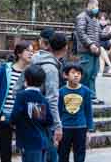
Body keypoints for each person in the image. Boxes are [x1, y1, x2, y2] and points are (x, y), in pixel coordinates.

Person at [0, 41, 35, 162]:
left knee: (26, 147)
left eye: (32, 51)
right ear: (19, 53)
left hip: (23, 116)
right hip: (5, 115)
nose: (31, 53)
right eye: (28, 50)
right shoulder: (5, 69)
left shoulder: (32, 71)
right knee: (5, 149)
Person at [32, 29, 69, 162]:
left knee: (36, 153)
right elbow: (51, 99)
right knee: (51, 154)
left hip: (31, 110)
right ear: (65, 48)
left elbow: (17, 88)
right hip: (44, 113)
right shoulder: (51, 69)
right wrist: (58, 126)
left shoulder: (34, 59)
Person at [9, 64, 52, 162]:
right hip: (42, 140)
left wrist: (13, 123)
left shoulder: (22, 96)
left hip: (28, 141)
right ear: (42, 82)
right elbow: (48, 120)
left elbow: (15, 116)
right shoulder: (42, 99)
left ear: (26, 80)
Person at [58, 62, 94, 162]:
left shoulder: (86, 91)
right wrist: (57, 127)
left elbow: (88, 111)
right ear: (66, 75)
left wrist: (89, 129)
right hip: (65, 127)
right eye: (73, 72)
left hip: (81, 127)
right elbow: (58, 110)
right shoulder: (61, 92)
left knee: (80, 154)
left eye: (79, 73)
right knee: (62, 154)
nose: (76, 75)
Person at [73, 0, 102, 104]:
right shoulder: (81, 17)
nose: (96, 8)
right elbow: (80, 32)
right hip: (86, 50)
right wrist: (90, 44)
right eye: (95, 5)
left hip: (95, 51)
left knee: (93, 74)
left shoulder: (95, 19)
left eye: (97, 6)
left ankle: (92, 96)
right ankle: (83, 96)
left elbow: (100, 34)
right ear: (89, 5)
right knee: (85, 73)